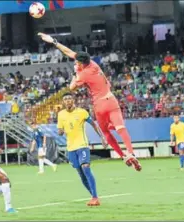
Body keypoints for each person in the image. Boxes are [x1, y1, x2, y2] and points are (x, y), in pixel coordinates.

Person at [38, 32, 142, 171]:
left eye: (76, 62)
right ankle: (131, 152)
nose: (75, 62)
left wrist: (75, 73)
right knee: (120, 128)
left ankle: (122, 156)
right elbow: (69, 52)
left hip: (99, 105)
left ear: (80, 63)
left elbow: (71, 88)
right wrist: (54, 42)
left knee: (106, 132)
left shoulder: (83, 74)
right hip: (111, 100)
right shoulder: (92, 64)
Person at [57, 93, 105, 206]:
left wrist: (102, 137)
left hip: (82, 145)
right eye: (65, 99)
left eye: (69, 98)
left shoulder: (82, 112)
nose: (68, 101)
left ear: (73, 100)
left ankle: (95, 197)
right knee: (81, 174)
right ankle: (93, 196)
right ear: (63, 102)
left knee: (86, 167)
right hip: (71, 148)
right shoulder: (61, 114)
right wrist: (60, 132)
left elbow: (94, 124)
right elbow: (59, 130)